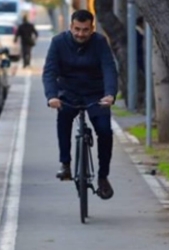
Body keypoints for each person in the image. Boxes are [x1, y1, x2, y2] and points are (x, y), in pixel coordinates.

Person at [42, 10, 118, 200]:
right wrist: (52, 96)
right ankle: (65, 164)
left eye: (85, 30)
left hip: (95, 93)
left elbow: (109, 68)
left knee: (105, 131)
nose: (81, 34)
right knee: (64, 120)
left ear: (92, 28)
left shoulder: (100, 42)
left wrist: (109, 94)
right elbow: (49, 72)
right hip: (68, 93)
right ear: (71, 27)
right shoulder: (58, 42)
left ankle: (103, 176)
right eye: (77, 29)